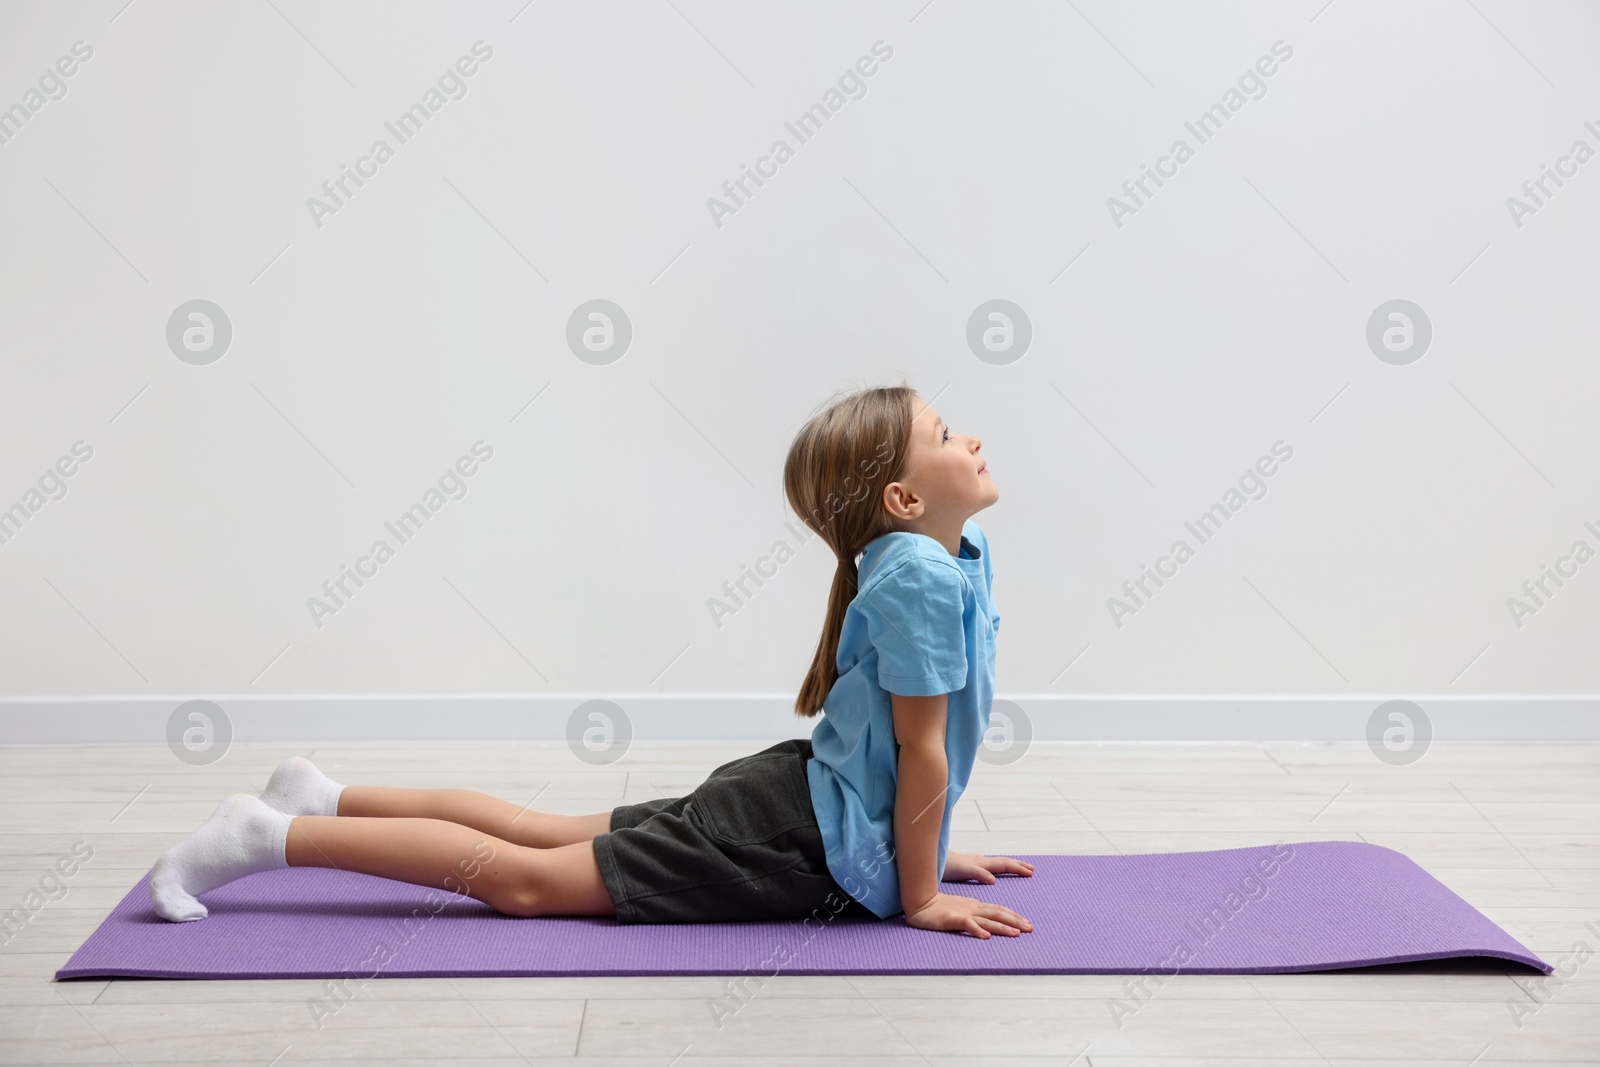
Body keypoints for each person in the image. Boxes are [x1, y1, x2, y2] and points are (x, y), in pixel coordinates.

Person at [149, 381, 1034, 938]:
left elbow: (914, 748)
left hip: (802, 805)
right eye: (948, 432)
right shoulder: (919, 573)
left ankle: (321, 796)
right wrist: (916, 894)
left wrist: (916, 848)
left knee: (546, 835)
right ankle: (267, 834)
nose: (972, 440)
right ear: (904, 496)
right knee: (528, 881)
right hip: (792, 830)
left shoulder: (954, 553)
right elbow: (921, 749)